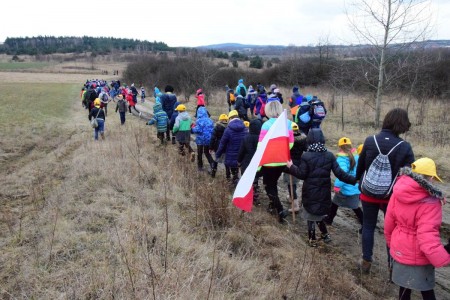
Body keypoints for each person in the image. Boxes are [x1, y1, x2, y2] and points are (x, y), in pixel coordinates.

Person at [356, 108, 415, 273]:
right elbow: (411, 174)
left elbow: (360, 168)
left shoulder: (370, 140)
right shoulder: (405, 147)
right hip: (391, 197)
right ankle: (392, 267)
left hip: (368, 194)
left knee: (368, 226)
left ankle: (366, 261)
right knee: (392, 230)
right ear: (403, 124)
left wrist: (356, 180)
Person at [384, 157, 450, 300]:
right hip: (419, 255)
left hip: (400, 248)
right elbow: (427, 237)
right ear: (431, 178)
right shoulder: (431, 202)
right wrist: (444, 259)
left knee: (404, 288)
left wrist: (391, 244)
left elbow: (389, 222)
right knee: (426, 290)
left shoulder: (398, 191)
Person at [287, 128, 356, 247]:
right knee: (318, 213)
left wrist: (291, 167)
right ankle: (325, 234)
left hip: (310, 191)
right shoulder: (329, 155)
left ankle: (312, 239)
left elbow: (302, 174)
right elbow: (340, 173)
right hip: (324, 191)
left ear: (309, 140)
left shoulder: (306, 156)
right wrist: (355, 180)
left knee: (310, 214)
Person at [258, 100, 294, 223]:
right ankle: (273, 206)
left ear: (268, 111)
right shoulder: (288, 124)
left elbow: (260, 145)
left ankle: (280, 210)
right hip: (282, 160)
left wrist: (258, 162)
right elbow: (290, 143)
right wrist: (282, 152)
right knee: (273, 184)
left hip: (268, 162)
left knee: (269, 186)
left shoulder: (266, 125)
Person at [324, 137, 363, 232]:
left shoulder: (341, 159)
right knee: (352, 206)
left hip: (345, 188)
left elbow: (342, 175)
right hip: (355, 187)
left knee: (337, 204)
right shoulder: (357, 156)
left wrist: (337, 186)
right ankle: (330, 219)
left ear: (340, 147)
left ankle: (329, 219)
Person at [215, 110, 247, 186]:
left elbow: (222, 143)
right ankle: (239, 183)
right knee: (240, 170)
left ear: (230, 118)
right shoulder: (244, 128)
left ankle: (235, 183)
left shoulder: (228, 129)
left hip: (231, 154)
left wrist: (218, 154)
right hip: (242, 154)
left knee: (234, 170)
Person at [283, 122, 307, 213]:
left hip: (289, 164)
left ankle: (295, 204)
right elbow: (306, 149)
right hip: (298, 164)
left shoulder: (288, 140)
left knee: (290, 184)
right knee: (294, 183)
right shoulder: (303, 139)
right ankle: (291, 197)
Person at [237, 119, 263, 205]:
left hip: (247, 163)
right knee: (255, 179)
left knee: (247, 181)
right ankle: (255, 197)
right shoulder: (262, 138)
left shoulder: (246, 138)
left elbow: (241, 151)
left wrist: (239, 161)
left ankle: (248, 196)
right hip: (258, 163)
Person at [191, 107, 215, 171]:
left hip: (201, 139)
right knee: (207, 152)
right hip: (209, 139)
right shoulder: (210, 120)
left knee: (200, 153)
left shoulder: (199, 121)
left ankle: (200, 166)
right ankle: (212, 164)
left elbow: (197, 130)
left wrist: (192, 128)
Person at [209, 114, 229, 178]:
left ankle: (213, 173)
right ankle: (228, 176)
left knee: (216, 159)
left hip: (217, 146)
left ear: (220, 119)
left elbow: (213, 138)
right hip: (226, 146)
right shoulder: (229, 127)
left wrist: (211, 147)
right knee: (226, 161)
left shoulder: (217, 127)